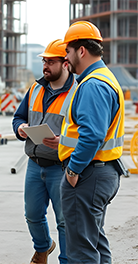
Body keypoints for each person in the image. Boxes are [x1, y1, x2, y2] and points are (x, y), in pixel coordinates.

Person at [58, 21, 125, 264]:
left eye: (68, 51)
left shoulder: (93, 85)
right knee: (94, 242)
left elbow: (93, 135)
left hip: (88, 175)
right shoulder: (103, 78)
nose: (66, 57)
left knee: (81, 252)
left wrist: (74, 169)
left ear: (81, 51)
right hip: (101, 172)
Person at [12, 39, 77, 264]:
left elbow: (86, 132)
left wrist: (63, 142)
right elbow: (19, 116)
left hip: (61, 166)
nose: (45, 66)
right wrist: (20, 128)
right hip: (34, 164)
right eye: (44, 61)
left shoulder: (77, 91)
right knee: (32, 215)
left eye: (51, 62)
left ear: (65, 64)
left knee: (64, 221)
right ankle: (43, 247)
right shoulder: (36, 88)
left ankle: (66, 260)